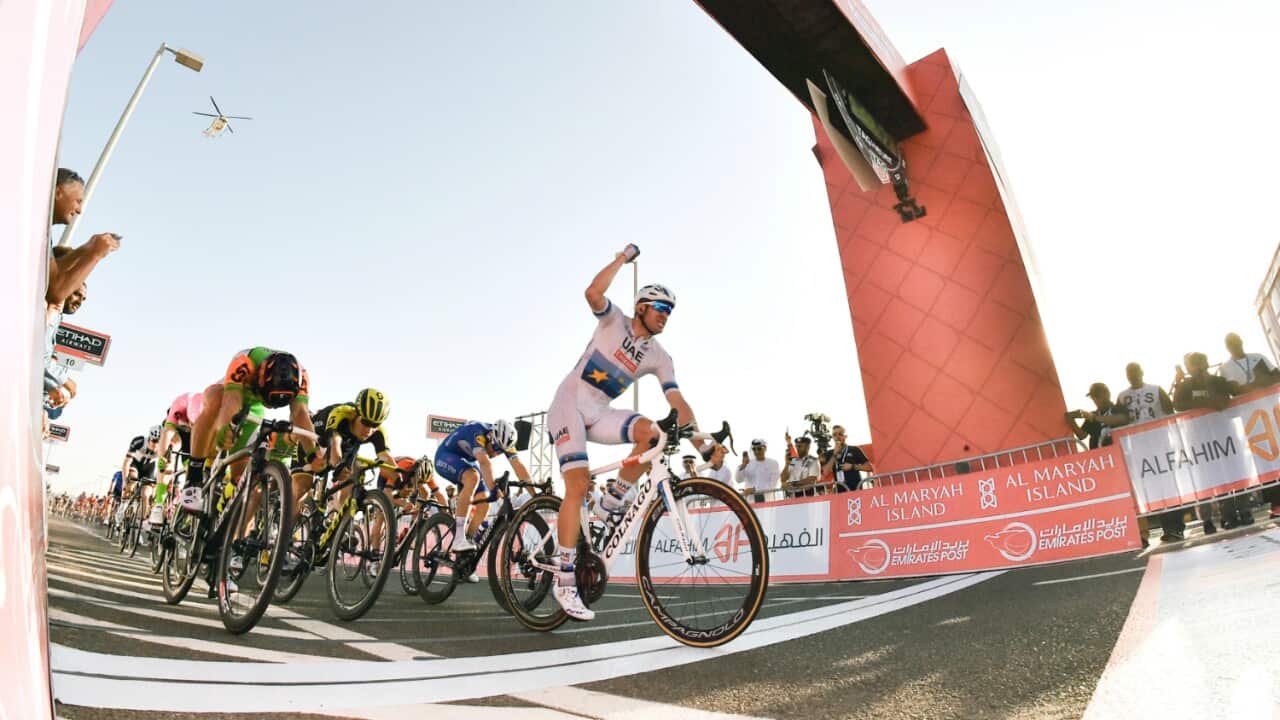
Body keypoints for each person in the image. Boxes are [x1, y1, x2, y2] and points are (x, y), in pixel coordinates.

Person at [547, 244, 710, 621]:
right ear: (642, 307)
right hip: (569, 402)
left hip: (599, 411)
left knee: (652, 434)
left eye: (671, 312)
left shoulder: (659, 356)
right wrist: (622, 258)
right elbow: (592, 293)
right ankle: (565, 582)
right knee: (576, 484)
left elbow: (677, 401)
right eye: (661, 309)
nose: (667, 317)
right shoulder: (614, 321)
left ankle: (609, 505)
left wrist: (701, 440)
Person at [179, 348, 316, 513]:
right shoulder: (245, 362)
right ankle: (193, 479)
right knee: (215, 397)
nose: (271, 407)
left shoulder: (301, 378)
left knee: (244, 481)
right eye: (269, 400)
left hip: (253, 409)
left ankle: (229, 520)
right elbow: (232, 400)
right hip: (230, 394)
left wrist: (313, 455)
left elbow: (300, 413)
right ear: (260, 379)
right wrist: (226, 427)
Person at [1174, 352, 1251, 529]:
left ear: (1206, 363)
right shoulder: (1186, 385)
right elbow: (1178, 404)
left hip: (1224, 435)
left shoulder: (1217, 381)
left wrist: (1208, 396)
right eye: (1193, 365)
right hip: (1199, 439)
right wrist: (1206, 401)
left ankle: (1241, 511)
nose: (1196, 367)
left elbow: (1224, 402)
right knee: (1207, 479)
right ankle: (1210, 520)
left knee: (1236, 473)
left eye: (1199, 363)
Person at [434, 419, 531, 556]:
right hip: (445, 456)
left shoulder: (505, 441)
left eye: (499, 452)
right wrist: (493, 489)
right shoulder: (478, 431)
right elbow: (484, 463)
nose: (495, 455)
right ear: (491, 438)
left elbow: (518, 466)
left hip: (466, 461)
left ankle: (466, 547)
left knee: (484, 503)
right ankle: (459, 538)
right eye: (495, 449)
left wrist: (535, 495)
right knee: (472, 477)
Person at [1115, 363, 1185, 540]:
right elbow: (1119, 419)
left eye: (1135, 372)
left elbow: (1170, 412)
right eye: (1129, 373)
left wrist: (1178, 440)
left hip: (1160, 443)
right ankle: (1166, 528)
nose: (1133, 376)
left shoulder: (1156, 390)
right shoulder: (1123, 397)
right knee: (1154, 488)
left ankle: (1177, 526)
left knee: (1169, 485)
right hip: (1139, 448)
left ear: (1141, 372)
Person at [47, 168, 121, 307]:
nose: (79, 210)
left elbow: (50, 274)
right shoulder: (37, 227)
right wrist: (95, 254)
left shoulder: (42, 231)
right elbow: (54, 292)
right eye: (78, 201)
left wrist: (85, 249)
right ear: (58, 192)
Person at [151, 391, 205, 524]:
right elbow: (168, 432)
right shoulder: (180, 404)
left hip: (194, 435)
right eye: (191, 422)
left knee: (193, 466)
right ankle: (158, 505)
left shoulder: (207, 409)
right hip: (176, 430)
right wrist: (163, 456)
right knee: (170, 452)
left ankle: (186, 509)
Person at [1065, 383, 1129, 449]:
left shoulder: (1118, 408)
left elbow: (1122, 419)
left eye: (1096, 395)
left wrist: (1093, 417)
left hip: (1119, 452)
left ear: (1107, 394)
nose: (1095, 399)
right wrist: (1071, 419)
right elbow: (1082, 436)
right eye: (1092, 397)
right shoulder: (1092, 414)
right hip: (1099, 456)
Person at [823, 425, 872, 493]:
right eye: (834, 435)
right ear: (833, 437)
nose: (837, 437)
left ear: (845, 436)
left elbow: (869, 467)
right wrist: (835, 454)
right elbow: (825, 472)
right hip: (840, 491)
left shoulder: (854, 449)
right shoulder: (830, 453)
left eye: (840, 434)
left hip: (856, 489)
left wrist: (853, 466)